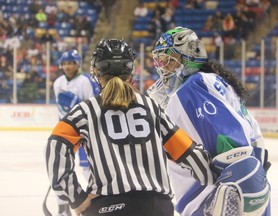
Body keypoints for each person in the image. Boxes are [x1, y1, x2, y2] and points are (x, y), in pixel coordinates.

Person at [45, 38, 214, 216]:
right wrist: (216, 176)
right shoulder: (151, 107)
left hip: (107, 207)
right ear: (130, 71)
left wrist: (76, 197)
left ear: (96, 71)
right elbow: (187, 151)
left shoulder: (85, 110)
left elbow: (55, 146)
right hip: (156, 206)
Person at [147, 27, 271, 216]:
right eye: (160, 62)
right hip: (239, 192)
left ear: (187, 56)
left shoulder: (191, 89)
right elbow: (254, 140)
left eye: (168, 60)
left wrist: (238, 187)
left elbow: (235, 151)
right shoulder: (210, 81)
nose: (163, 69)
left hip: (212, 201)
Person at [53, 49, 99, 216]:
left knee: (88, 167)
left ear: (77, 64)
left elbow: (92, 106)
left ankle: (95, 200)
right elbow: (60, 109)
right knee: (61, 169)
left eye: (71, 63)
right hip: (66, 131)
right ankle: (62, 207)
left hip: (85, 131)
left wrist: (77, 105)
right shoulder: (57, 82)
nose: (68, 66)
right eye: (65, 63)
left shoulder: (85, 81)